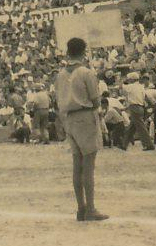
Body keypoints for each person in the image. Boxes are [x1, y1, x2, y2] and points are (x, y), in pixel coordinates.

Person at [54, 37, 109, 222]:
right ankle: (91, 209)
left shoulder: (60, 74)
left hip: (68, 118)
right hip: (85, 116)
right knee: (88, 167)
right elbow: (95, 100)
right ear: (84, 52)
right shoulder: (86, 72)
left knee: (77, 165)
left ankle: (81, 208)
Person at [121, 72, 156, 151]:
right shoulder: (141, 86)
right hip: (140, 107)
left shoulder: (130, 86)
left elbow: (121, 86)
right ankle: (124, 144)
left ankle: (149, 144)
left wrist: (122, 81)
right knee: (131, 127)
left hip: (134, 107)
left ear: (131, 79)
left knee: (141, 128)